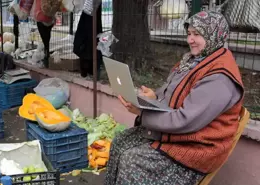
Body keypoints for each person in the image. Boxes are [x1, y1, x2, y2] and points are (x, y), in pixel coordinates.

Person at [104, 10, 244, 185]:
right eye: (189, 34)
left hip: (197, 149)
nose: (189, 40)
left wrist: (143, 113)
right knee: (120, 141)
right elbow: (172, 91)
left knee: (132, 160)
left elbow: (185, 120)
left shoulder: (219, 77)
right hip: (180, 137)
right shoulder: (195, 60)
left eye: (197, 34)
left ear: (214, 35)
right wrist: (154, 96)